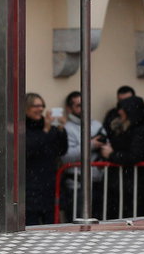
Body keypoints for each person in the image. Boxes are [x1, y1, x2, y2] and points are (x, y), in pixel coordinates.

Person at [94, 94, 144, 218]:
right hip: (121, 184)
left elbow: (134, 156)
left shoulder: (140, 131)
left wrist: (111, 155)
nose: (119, 112)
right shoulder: (123, 128)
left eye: (123, 109)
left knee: (131, 217)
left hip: (132, 185)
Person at [22, 92, 67, 226]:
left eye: (42, 106)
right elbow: (29, 149)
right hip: (29, 184)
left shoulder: (49, 126)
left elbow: (62, 150)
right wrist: (45, 131)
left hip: (49, 183)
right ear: (26, 108)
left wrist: (61, 130)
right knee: (31, 225)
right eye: (35, 106)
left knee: (51, 225)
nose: (40, 109)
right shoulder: (22, 127)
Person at [60, 90, 103, 222]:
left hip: (98, 182)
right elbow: (66, 157)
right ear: (69, 108)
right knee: (77, 224)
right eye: (79, 105)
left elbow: (108, 147)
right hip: (77, 185)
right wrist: (91, 145)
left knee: (100, 223)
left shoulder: (97, 125)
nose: (83, 108)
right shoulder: (66, 128)